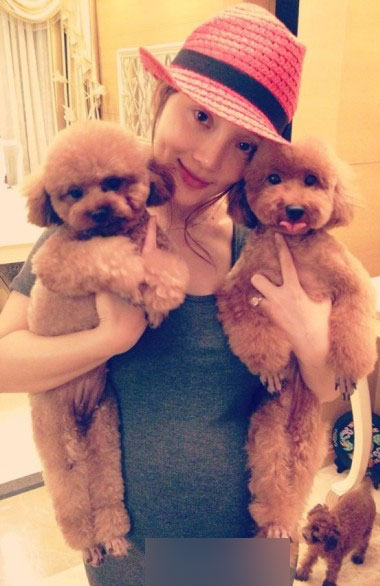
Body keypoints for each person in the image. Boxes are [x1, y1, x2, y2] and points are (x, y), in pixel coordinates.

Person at [0, 4, 337, 585]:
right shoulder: (91, 223)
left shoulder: (262, 244)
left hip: (243, 546)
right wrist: (112, 337)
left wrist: (312, 344)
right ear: (164, 96)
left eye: (245, 145)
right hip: (127, 550)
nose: (209, 157)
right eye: (201, 116)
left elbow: (328, 388)